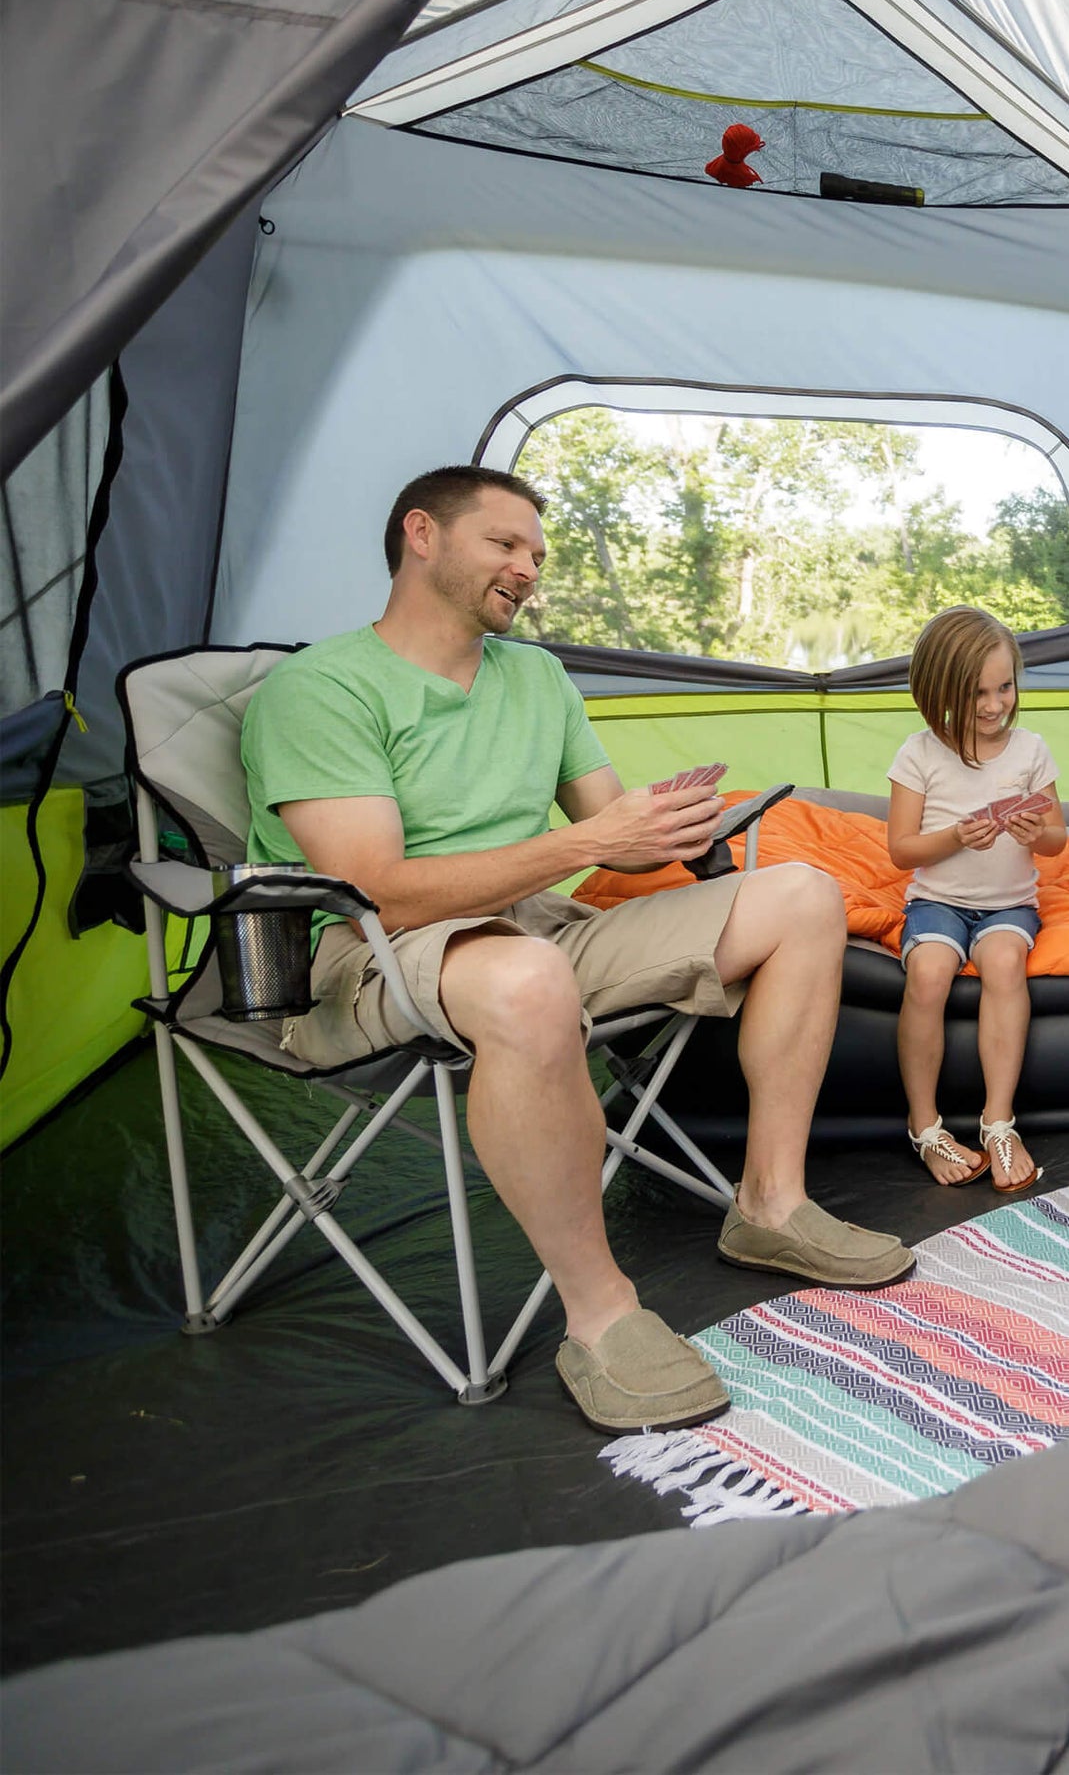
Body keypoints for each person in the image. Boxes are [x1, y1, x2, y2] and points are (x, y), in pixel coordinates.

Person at [240, 465, 913, 1434]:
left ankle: (771, 1202)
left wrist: (670, 825)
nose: (528, 568)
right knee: (527, 978)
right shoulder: (320, 688)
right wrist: (587, 844)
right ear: (422, 534)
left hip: (534, 927)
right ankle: (600, 1314)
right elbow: (376, 888)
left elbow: (606, 825)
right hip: (375, 954)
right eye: (505, 544)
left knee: (803, 895)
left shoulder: (537, 677)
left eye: (537, 555)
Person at [887, 606, 1067, 1193]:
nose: (994, 706)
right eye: (976, 694)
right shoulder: (918, 753)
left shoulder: (1031, 750)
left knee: (1005, 963)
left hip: (1009, 905)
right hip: (937, 900)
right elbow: (901, 851)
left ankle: (999, 1123)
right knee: (929, 971)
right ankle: (925, 1126)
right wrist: (956, 837)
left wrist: (1034, 833)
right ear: (939, 692)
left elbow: (1058, 840)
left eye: (1004, 688)